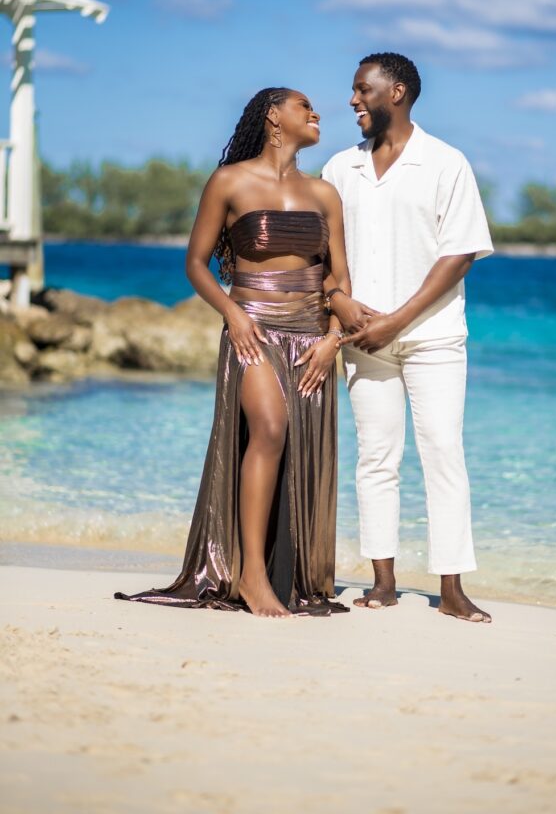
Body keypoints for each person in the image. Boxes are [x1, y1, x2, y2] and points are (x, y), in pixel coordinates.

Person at [116, 87, 367, 618]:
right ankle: (252, 573)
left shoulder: (324, 193)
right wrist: (232, 314)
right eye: (304, 105)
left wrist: (331, 342)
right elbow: (196, 264)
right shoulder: (229, 181)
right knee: (270, 429)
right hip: (251, 327)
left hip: (309, 336)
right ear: (274, 116)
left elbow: (337, 278)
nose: (316, 112)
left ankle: (279, 570)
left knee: (292, 450)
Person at [322, 53, 494, 622]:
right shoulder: (339, 169)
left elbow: (459, 253)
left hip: (434, 336)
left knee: (443, 452)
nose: (351, 101)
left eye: (360, 89)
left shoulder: (445, 162)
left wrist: (396, 320)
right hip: (361, 338)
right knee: (376, 458)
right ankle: (383, 581)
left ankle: (451, 588)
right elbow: (324, 252)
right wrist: (343, 306)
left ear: (395, 92)